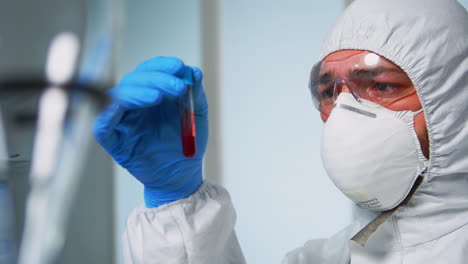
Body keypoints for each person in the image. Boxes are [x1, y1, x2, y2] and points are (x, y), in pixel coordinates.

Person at [93, 0, 468, 263]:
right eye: (328, 93)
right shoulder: (324, 259)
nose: (344, 114)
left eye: (382, 86)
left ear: (455, 100)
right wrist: (175, 200)